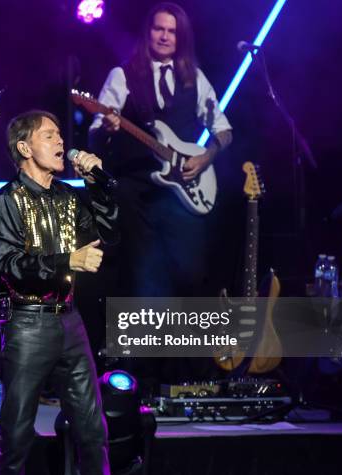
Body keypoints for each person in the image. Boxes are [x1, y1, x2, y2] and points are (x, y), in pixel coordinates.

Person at [0, 110, 118, 475]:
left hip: (70, 321)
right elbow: (9, 263)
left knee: (93, 431)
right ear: (25, 147)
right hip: (28, 324)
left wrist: (97, 184)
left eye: (60, 134)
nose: (61, 142)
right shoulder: (9, 200)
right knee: (15, 438)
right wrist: (69, 260)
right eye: (49, 136)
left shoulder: (68, 196)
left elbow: (105, 233)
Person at [89, 2, 232, 298]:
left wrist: (205, 158)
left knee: (190, 273)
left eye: (172, 31)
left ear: (181, 38)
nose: (165, 37)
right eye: (159, 29)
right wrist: (107, 127)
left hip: (184, 193)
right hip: (136, 192)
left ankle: (182, 339)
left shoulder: (195, 78)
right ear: (148, 32)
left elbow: (224, 130)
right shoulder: (123, 75)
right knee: (140, 276)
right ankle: (138, 341)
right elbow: (94, 136)